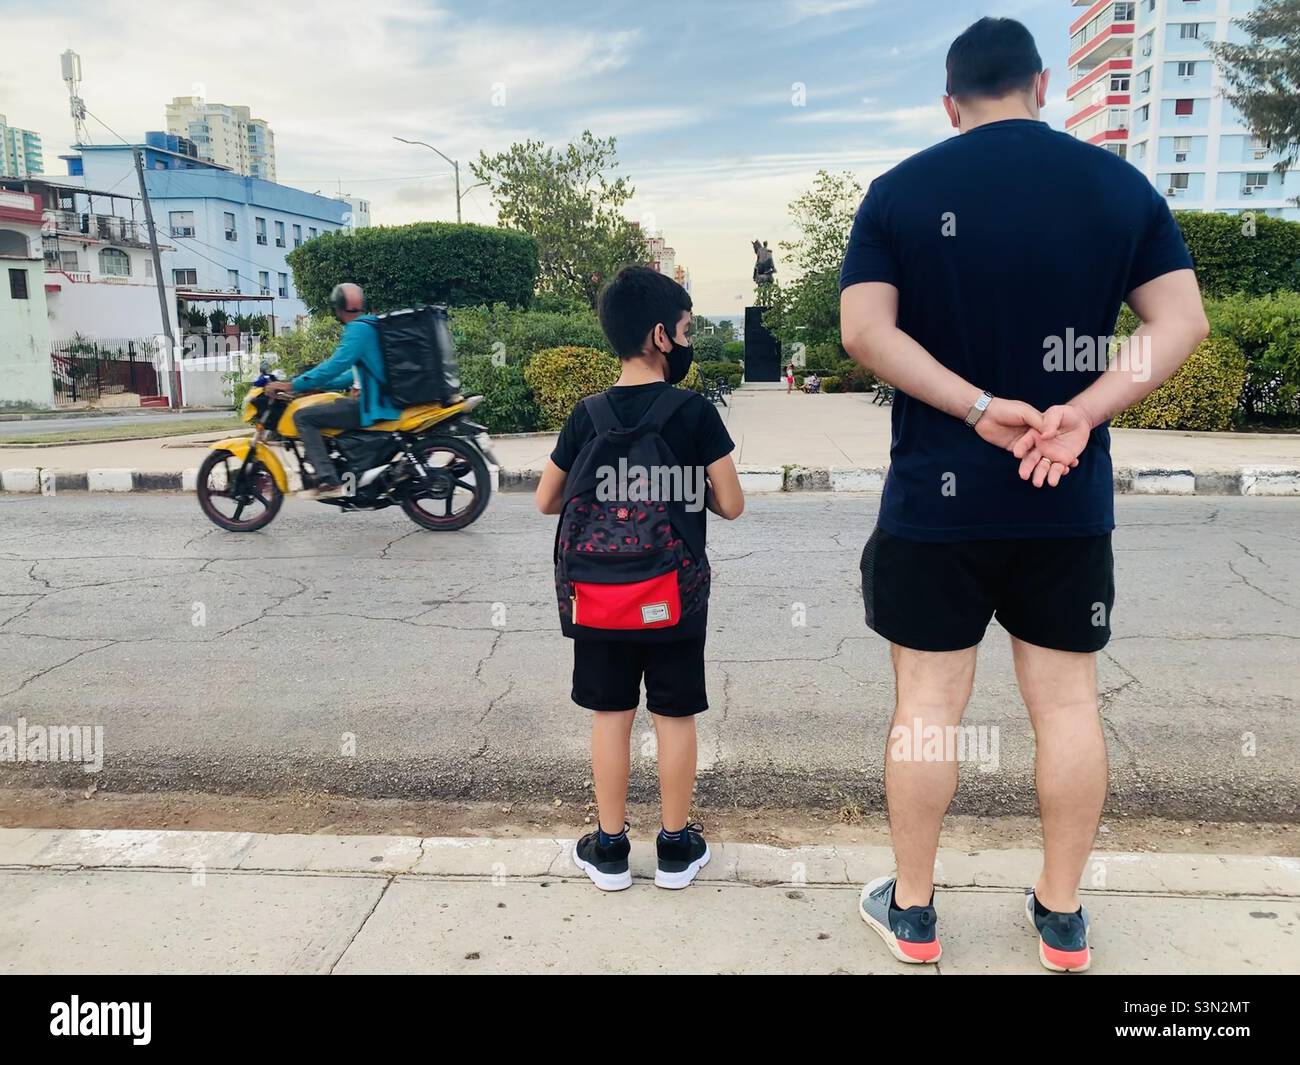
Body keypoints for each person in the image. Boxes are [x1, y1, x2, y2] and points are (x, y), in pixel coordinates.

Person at [840, 17, 1208, 971]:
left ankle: (914, 913)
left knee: (927, 704)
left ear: (950, 103)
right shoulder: (1118, 187)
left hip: (936, 499)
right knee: (1068, 706)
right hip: (1064, 493)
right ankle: (1062, 914)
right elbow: (1181, 322)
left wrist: (976, 408)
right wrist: (1078, 411)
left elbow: (864, 333)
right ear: (1043, 87)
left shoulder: (901, 193)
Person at [535, 265, 745, 892]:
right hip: (672, 595)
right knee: (675, 714)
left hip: (599, 595)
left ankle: (609, 850)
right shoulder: (693, 412)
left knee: (610, 713)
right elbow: (731, 503)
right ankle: (677, 850)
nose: (686, 342)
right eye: (684, 330)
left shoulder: (587, 414)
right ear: (661, 335)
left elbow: (547, 500)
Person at [264, 283, 400, 498]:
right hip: (380, 399)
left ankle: (328, 480)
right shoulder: (371, 325)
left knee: (304, 417)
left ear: (338, 308)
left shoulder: (358, 330)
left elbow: (335, 366)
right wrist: (319, 385)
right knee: (332, 404)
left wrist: (292, 385)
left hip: (371, 405)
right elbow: (353, 374)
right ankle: (344, 471)